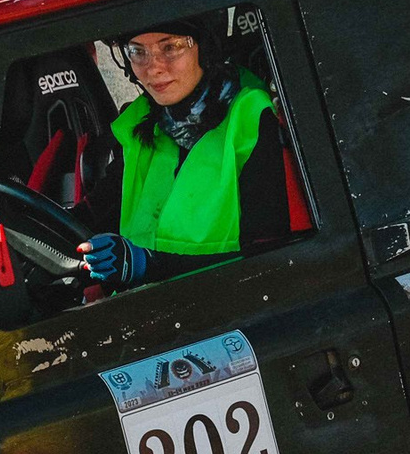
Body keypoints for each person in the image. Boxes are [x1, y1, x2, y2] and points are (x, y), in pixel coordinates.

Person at [75, 15, 299, 291]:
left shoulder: (251, 119)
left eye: (170, 47)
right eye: (137, 51)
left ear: (203, 49)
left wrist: (149, 265)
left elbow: (271, 259)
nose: (153, 68)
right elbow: (92, 213)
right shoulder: (142, 124)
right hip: (147, 311)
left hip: (231, 309)